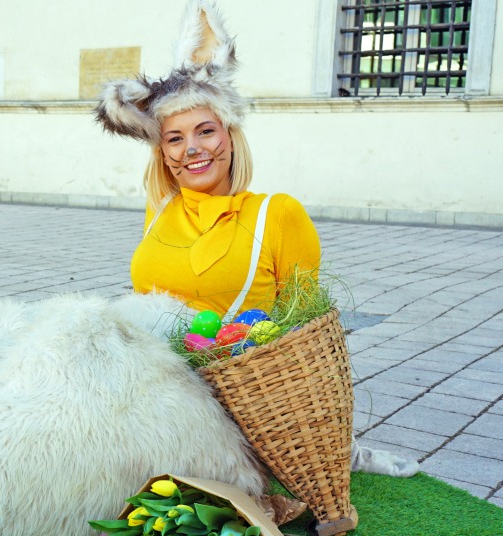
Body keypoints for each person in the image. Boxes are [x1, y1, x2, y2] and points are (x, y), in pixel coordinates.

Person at [94, 0, 417, 477]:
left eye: (206, 131)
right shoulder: (160, 211)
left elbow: (308, 335)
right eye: (175, 138)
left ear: (230, 135)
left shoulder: (277, 214)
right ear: (162, 153)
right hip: (150, 396)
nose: (192, 149)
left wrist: (334, 440)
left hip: (237, 411)